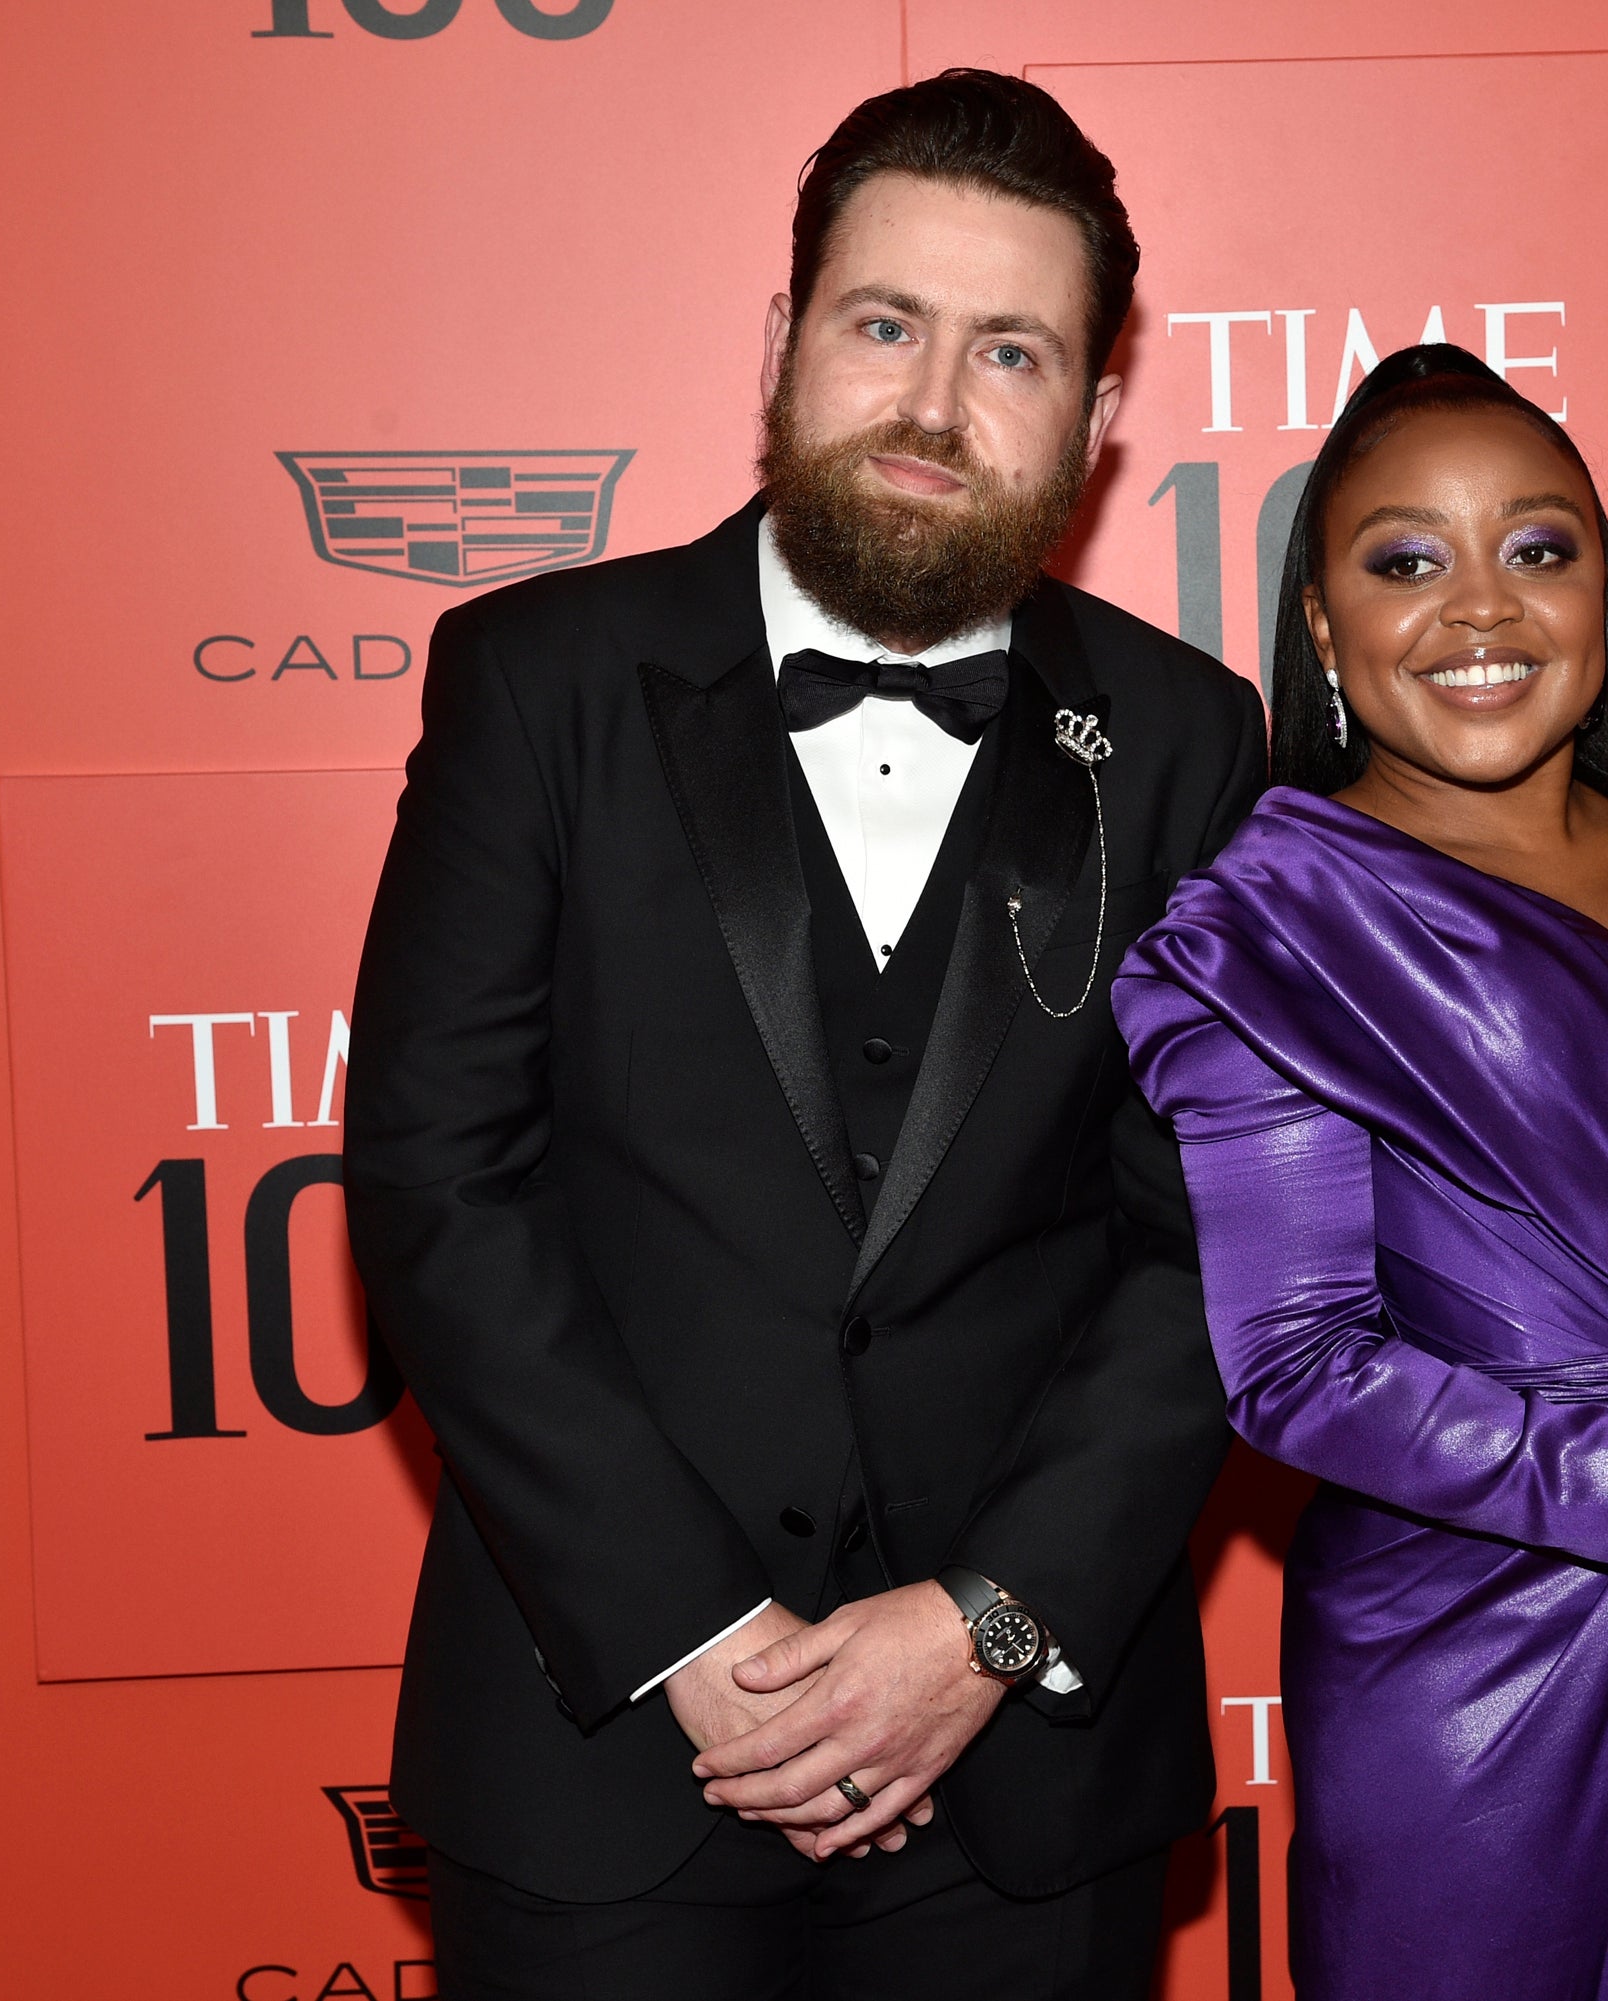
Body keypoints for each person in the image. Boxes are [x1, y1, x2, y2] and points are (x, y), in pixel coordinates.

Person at [343, 70, 1265, 1998]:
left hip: (1021, 1779)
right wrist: (702, 1639)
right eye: (885, 324)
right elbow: (442, 1181)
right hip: (606, 1742)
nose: (935, 404)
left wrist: (985, 1622)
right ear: (783, 341)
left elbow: (1217, 1249)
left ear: (1098, 417)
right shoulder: (539, 681)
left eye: (1010, 349)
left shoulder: (1189, 743)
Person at [1112, 345, 1608, 2001]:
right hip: (1482, 1659)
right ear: (1325, 633)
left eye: (1538, 550)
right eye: (1406, 562)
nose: (1481, 610)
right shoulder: (1271, 921)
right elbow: (1300, 1372)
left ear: (1604, 593)